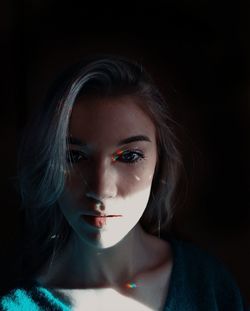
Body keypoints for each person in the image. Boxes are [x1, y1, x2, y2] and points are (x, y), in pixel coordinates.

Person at [0, 55, 248, 311]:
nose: (101, 190)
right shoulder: (17, 306)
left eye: (129, 156)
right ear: (47, 161)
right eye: (74, 156)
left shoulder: (207, 285)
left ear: (159, 160)